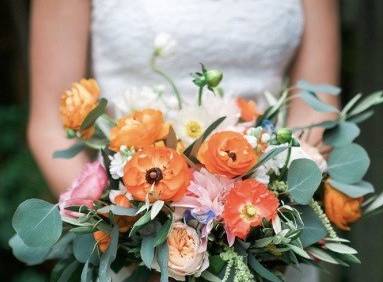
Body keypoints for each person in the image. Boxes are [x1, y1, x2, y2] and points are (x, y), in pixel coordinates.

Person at [28, 0, 340, 281]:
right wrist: (127, 235)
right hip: (136, 250)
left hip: (265, 244)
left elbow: (314, 108)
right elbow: (50, 125)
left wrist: (269, 231)